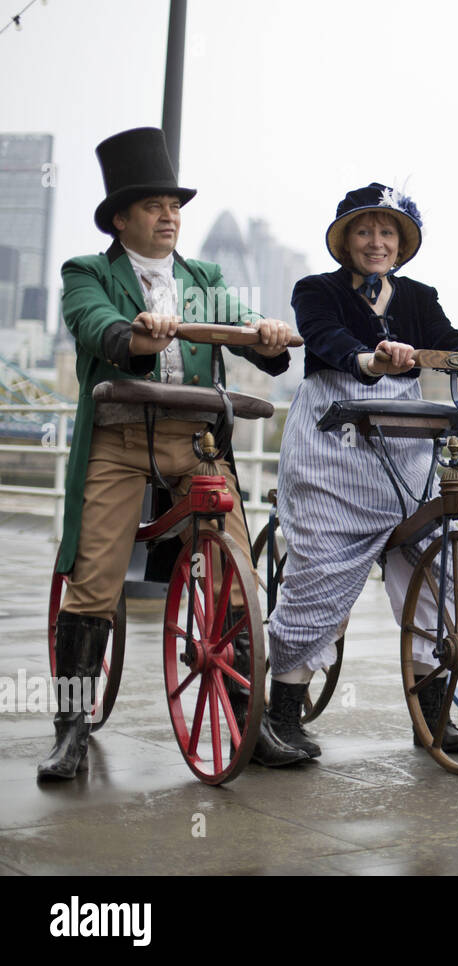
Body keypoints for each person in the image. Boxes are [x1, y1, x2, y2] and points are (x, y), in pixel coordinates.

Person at [43, 127, 297, 780]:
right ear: (121, 217)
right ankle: (70, 730)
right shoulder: (88, 273)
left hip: (196, 443)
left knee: (234, 570)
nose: (168, 216)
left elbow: (242, 334)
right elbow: (96, 326)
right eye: (153, 205)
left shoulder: (202, 277)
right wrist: (138, 333)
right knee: (95, 580)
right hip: (119, 442)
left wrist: (264, 336)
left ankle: (249, 720)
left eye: (175, 205)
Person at [264, 183, 458, 760]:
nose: (376, 242)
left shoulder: (417, 296)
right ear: (344, 240)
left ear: (403, 243)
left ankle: (430, 715)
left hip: (405, 446)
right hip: (331, 443)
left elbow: (449, 345)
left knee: (439, 565)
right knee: (321, 569)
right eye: (364, 230)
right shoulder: (316, 290)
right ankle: (280, 718)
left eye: (388, 232)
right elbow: (326, 339)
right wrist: (369, 359)